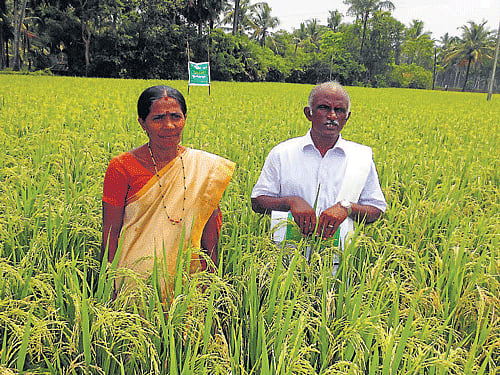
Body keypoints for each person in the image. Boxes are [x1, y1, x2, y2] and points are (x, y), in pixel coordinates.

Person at [102, 85, 235, 298]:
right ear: (142, 123)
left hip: (188, 278)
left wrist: (210, 275)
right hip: (134, 281)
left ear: (185, 119)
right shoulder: (121, 167)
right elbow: (110, 232)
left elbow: (210, 228)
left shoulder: (203, 166)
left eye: (176, 116)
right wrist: (108, 284)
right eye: (158, 118)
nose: (169, 125)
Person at [251, 81, 386, 250]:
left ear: (347, 116)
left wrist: (347, 208)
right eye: (324, 108)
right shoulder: (282, 153)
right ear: (309, 113)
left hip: (338, 265)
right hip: (284, 262)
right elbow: (257, 202)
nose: (332, 116)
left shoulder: (361, 157)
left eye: (339, 110)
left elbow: (376, 209)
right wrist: (291, 202)